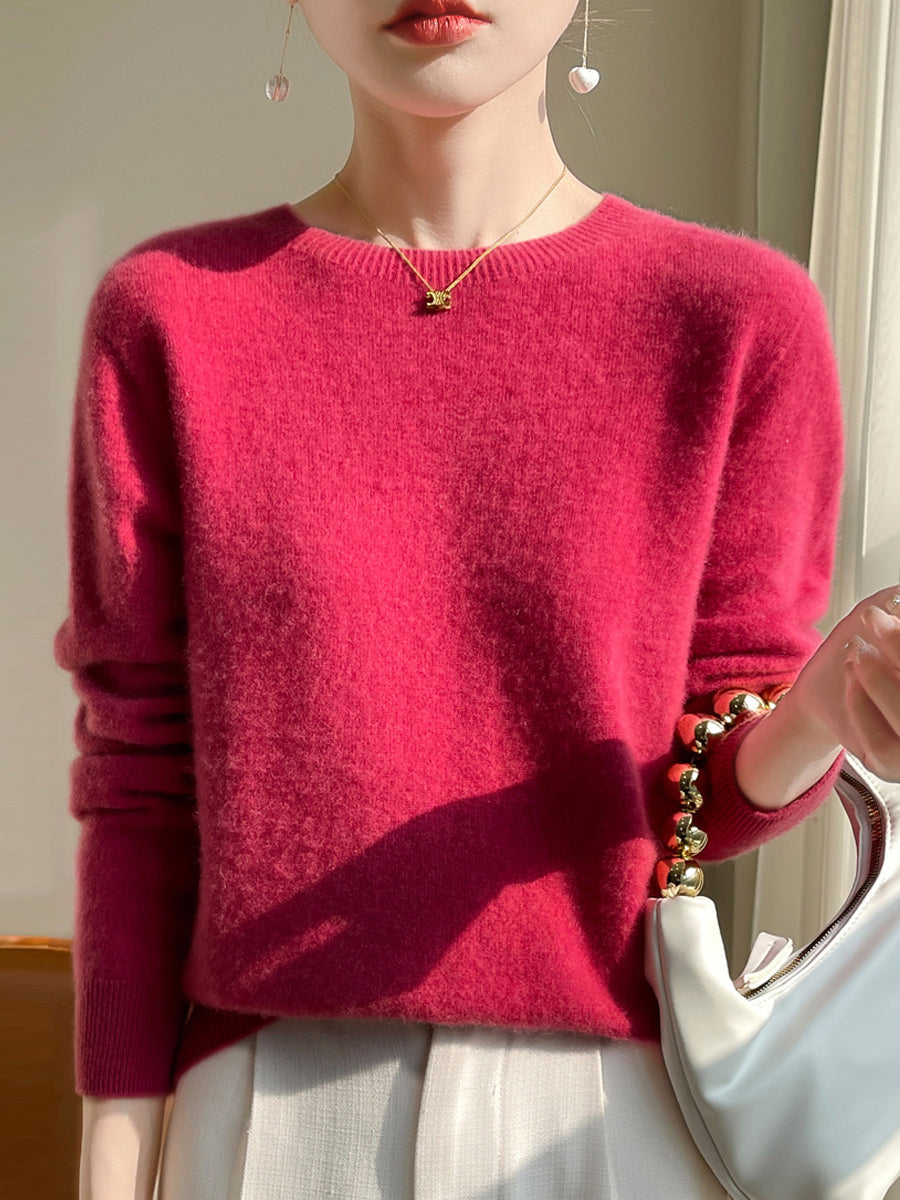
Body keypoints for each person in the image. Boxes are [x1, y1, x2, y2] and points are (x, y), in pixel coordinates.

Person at [52, 2, 900, 1198]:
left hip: (612, 1114)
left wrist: (816, 707)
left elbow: (699, 794)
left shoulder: (736, 317)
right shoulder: (171, 314)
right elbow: (141, 779)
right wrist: (113, 1165)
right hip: (264, 1111)